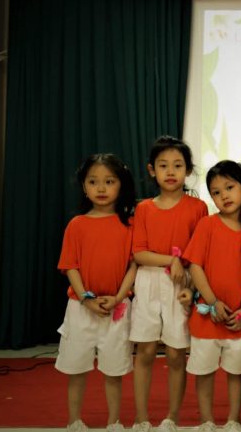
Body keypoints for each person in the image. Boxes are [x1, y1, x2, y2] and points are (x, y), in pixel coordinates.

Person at [130, 136, 208, 432]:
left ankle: (171, 417)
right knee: (146, 351)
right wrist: (171, 259)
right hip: (149, 280)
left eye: (178, 165)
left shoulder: (198, 207)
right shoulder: (144, 209)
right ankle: (141, 418)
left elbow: (201, 251)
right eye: (163, 165)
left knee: (176, 353)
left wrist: (187, 278)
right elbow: (139, 253)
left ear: (188, 170)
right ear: (152, 170)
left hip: (182, 283)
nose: (171, 171)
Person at [56, 153, 137, 432]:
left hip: (117, 306)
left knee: (114, 370)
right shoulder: (77, 225)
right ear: (84, 186)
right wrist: (86, 299)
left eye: (109, 181)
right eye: (93, 182)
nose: (101, 188)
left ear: (121, 185)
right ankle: (74, 421)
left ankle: (114, 421)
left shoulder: (129, 225)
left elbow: (133, 265)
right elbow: (70, 266)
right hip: (81, 308)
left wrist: (118, 297)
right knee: (77, 368)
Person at [181, 161, 241, 432]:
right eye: (216, 192)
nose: (224, 196)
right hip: (207, 318)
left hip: (237, 320)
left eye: (230, 187)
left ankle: (234, 419)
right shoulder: (207, 225)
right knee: (204, 372)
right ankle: (207, 421)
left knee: (236, 372)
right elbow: (195, 265)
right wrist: (212, 302)